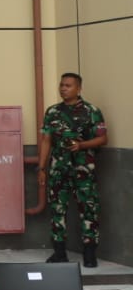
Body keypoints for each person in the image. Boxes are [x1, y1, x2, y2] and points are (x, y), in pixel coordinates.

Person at [38, 72, 108, 267]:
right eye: (61, 85)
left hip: (83, 170)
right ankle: (59, 253)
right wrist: (41, 168)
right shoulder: (52, 112)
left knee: (89, 210)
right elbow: (46, 141)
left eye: (68, 85)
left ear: (79, 89)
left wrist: (81, 145)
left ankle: (90, 255)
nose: (63, 88)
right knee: (57, 210)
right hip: (58, 170)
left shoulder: (92, 111)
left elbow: (103, 139)